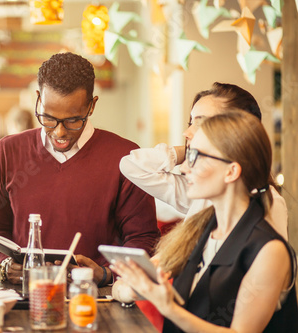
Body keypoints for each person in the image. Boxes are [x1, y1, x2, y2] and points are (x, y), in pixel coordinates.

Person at [113, 111, 298, 332]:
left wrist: (169, 307)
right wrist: (134, 286)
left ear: (231, 171)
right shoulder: (199, 228)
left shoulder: (269, 251)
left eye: (195, 157)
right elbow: (129, 288)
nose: (183, 168)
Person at [0, 52, 159, 286]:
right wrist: (5, 264)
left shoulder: (125, 158)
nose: (59, 132)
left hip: (97, 300)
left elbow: (143, 239)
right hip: (23, 298)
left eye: (73, 120)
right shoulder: (9, 151)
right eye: (48, 118)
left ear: (91, 105)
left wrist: (106, 273)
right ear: (38, 99)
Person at [119, 82, 288, 239]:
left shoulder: (268, 202)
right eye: (190, 122)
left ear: (238, 130)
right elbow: (131, 165)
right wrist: (190, 152)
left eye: (201, 123)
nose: (186, 133)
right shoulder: (203, 190)